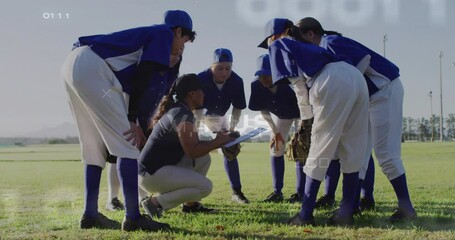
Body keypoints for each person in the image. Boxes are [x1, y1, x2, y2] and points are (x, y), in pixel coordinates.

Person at [62, 9, 195, 231]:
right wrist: (132, 120)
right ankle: (133, 217)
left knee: (94, 149)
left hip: (74, 65)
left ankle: (90, 214)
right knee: (128, 144)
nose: (182, 47)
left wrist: (138, 121)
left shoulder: (151, 48)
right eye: (184, 40)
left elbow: (143, 90)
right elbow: (145, 74)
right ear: (178, 31)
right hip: (93, 66)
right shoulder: (164, 33)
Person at [296, 17, 417, 222]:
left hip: (384, 90)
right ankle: (350, 206)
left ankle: (407, 208)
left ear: (310, 34)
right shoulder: (325, 47)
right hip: (369, 98)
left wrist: (349, 91)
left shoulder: (329, 42)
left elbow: (363, 60)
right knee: (358, 153)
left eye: (301, 40)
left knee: (386, 154)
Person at [258, 18, 369, 226]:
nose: (268, 46)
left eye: (268, 41)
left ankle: (305, 214)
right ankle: (345, 213)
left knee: (319, 148)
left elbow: (299, 86)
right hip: (355, 77)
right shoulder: (312, 44)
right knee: (353, 147)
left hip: (329, 79)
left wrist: (306, 122)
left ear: (274, 35)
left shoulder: (279, 43)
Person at [139, 74, 233, 217]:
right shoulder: (181, 114)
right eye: (201, 90)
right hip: (151, 176)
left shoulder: (180, 110)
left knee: (204, 159)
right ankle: (155, 204)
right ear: (192, 94)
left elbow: (195, 147)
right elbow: (192, 151)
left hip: (153, 171)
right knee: (205, 187)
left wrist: (221, 141)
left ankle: (190, 206)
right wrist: (217, 142)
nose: (204, 94)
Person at [194, 48, 250, 204]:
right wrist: (194, 133)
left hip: (219, 117)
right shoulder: (201, 79)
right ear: (212, 66)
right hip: (198, 114)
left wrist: (231, 131)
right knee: (191, 149)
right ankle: (189, 194)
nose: (224, 72)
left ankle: (236, 192)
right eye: (219, 68)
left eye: (228, 68)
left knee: (229, 148)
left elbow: (238, 108)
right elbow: (196, 110)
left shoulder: (236, 81)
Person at [248, 54, 304, 203]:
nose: (263, 79)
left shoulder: (290, 82)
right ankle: (277, 192)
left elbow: (304, 106)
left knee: (300, 149)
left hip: (302, 115)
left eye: (267, 75)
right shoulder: (256, 85)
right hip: (282, 116)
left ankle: (301, 193)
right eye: (260, 75)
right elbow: (263, 110)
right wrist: (275, 131)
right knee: (276, 148)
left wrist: (301, 132)